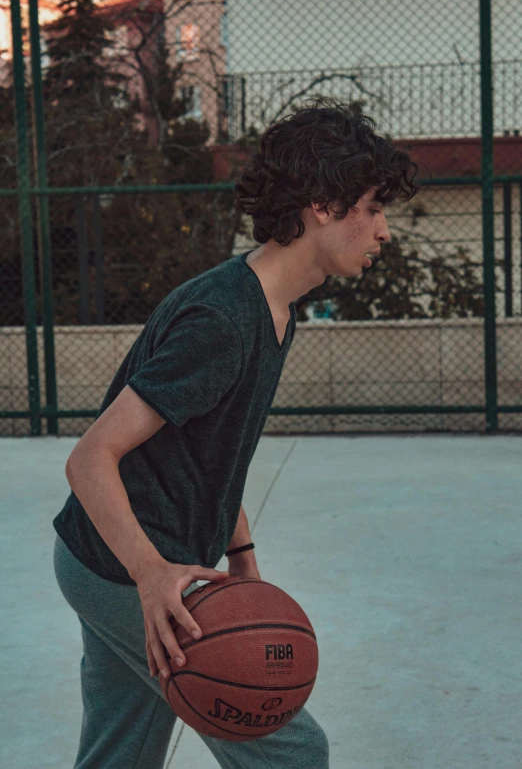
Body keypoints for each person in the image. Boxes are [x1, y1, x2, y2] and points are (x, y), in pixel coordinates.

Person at [52, 96, 419, 768]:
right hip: (122, 562)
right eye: (372, 207)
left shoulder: (272, 310)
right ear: (322, 205)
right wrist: (150, 575)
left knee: (120, 752)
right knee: (292, 751)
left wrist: (241, 551)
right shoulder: (222, 321)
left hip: (109, 555)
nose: (383, 230)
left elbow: (210, 454)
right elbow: (90, 457)